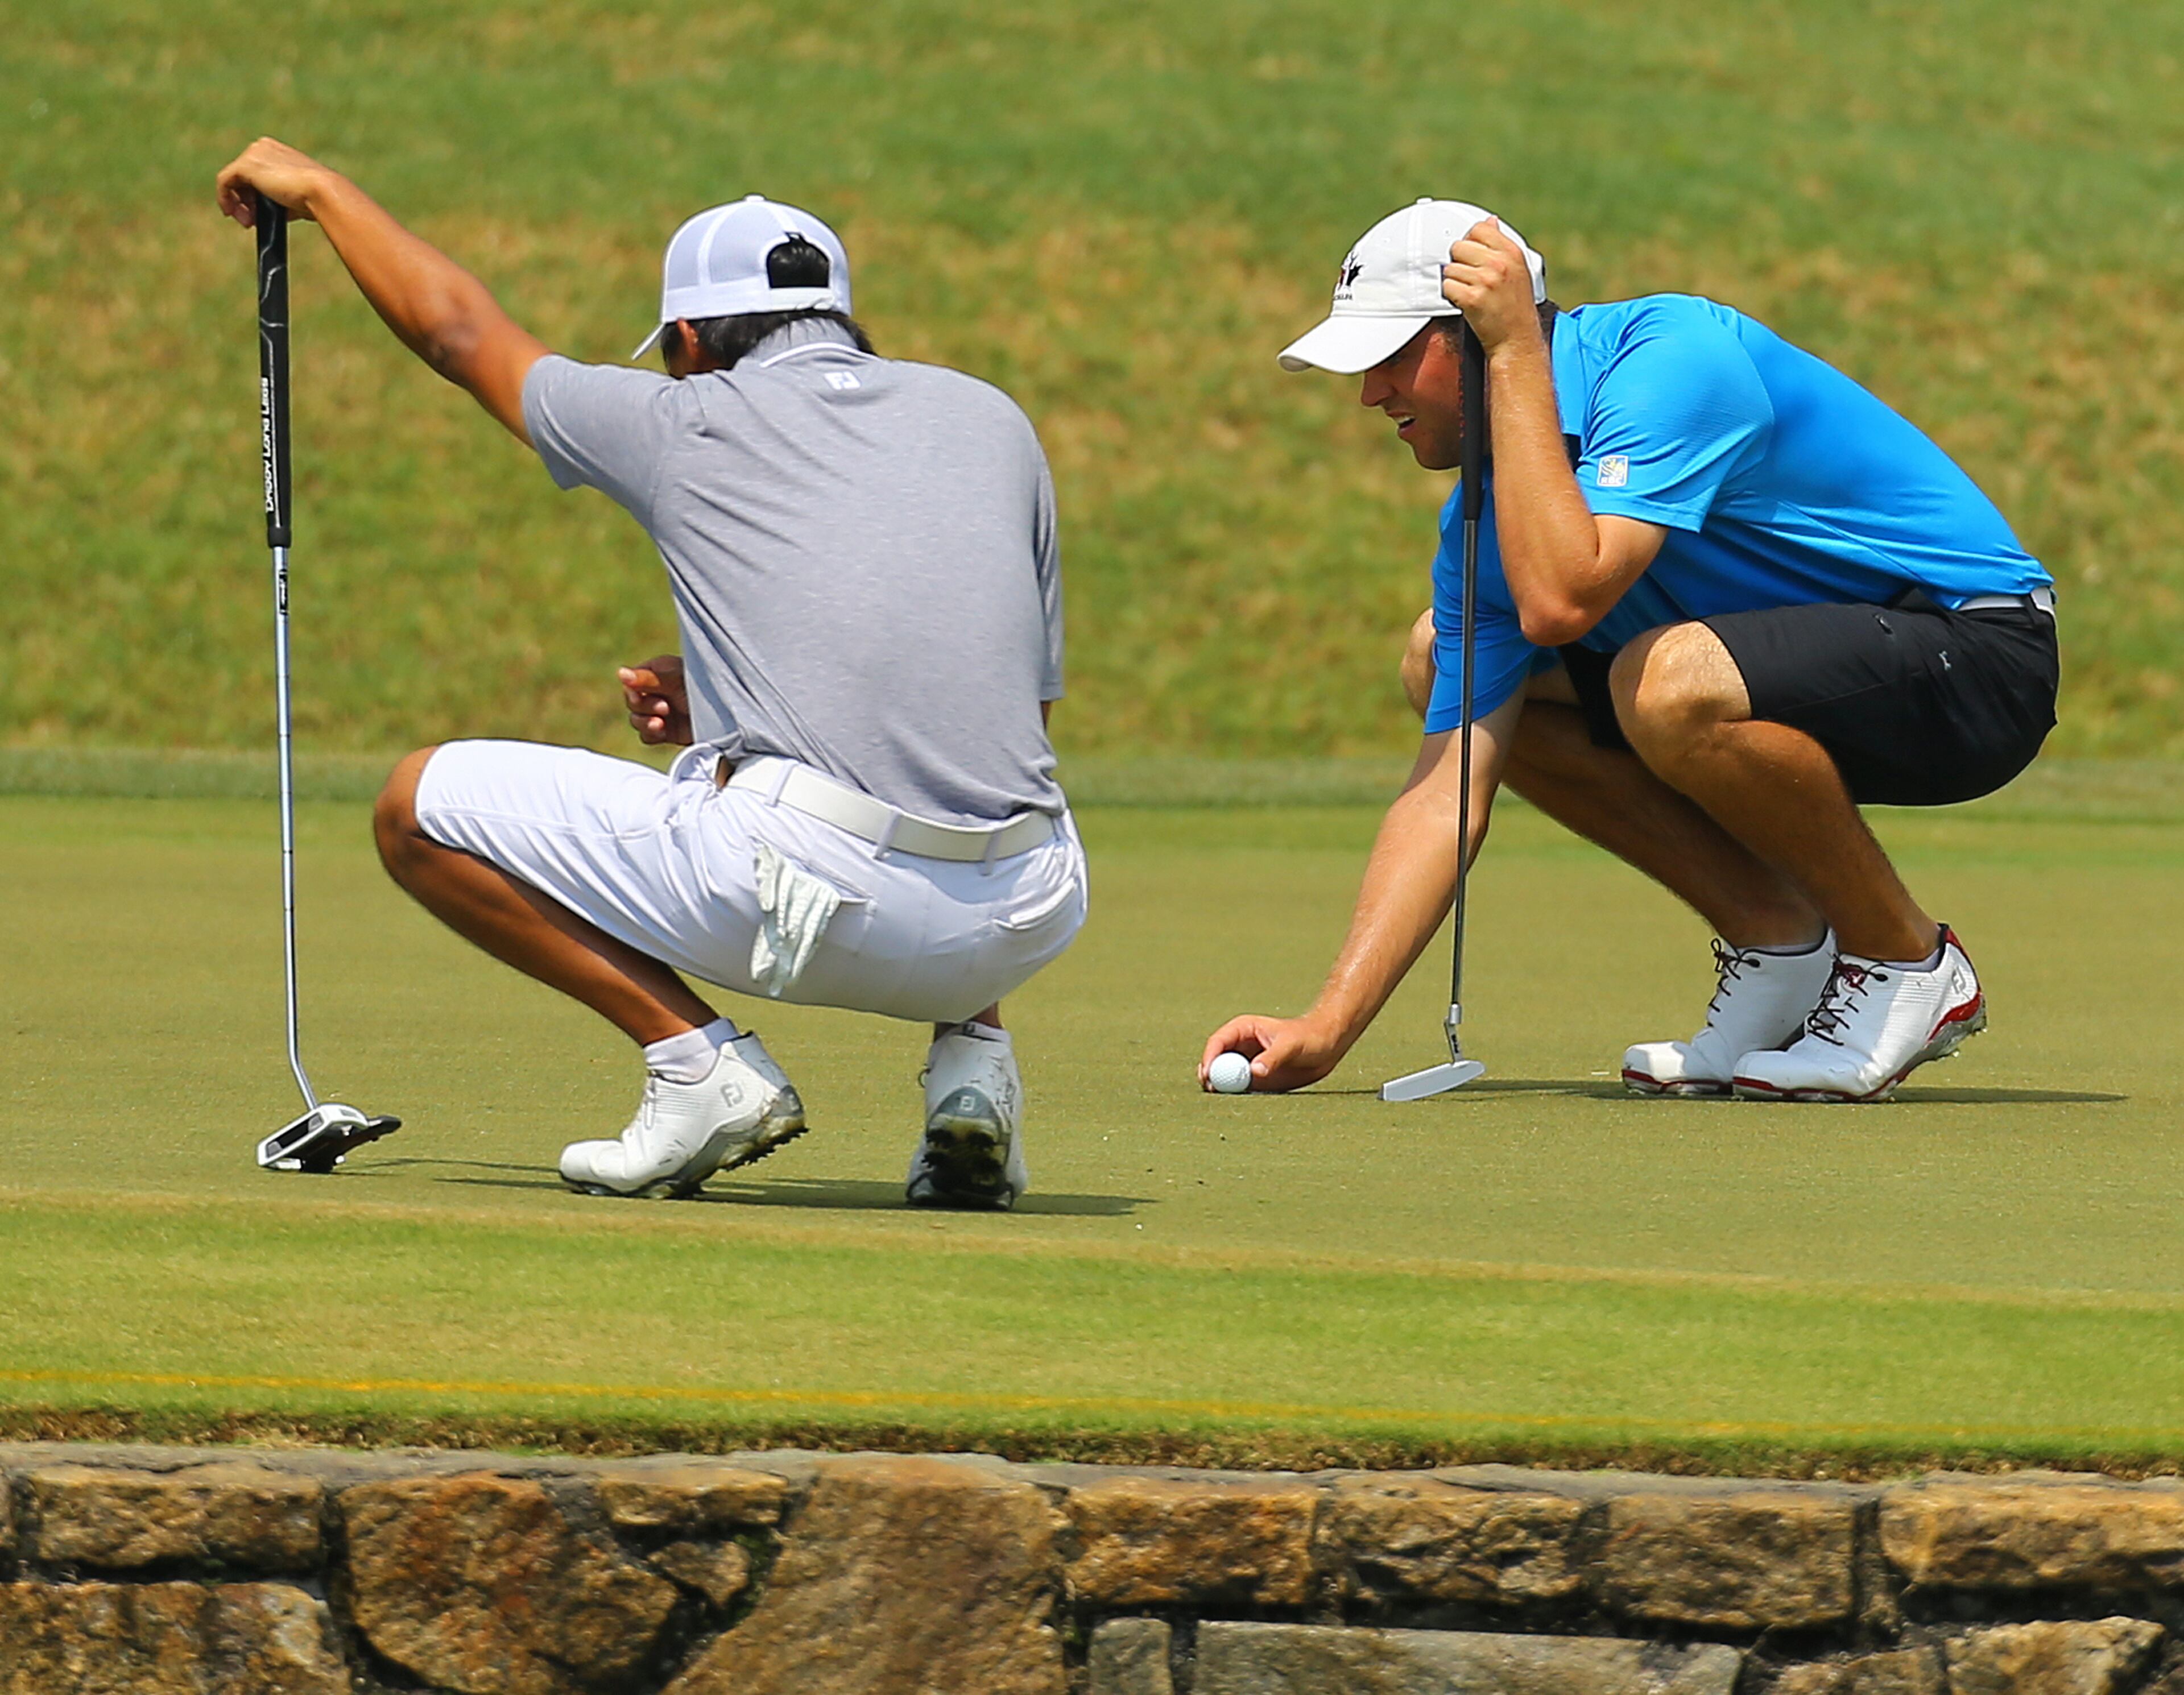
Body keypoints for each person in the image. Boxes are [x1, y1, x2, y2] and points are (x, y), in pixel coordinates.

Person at [216, 139, 1086, 1206]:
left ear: (685, 339)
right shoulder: (991, 418)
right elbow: (1006, 709)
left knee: (413, 807)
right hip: (1026, 913)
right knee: (964, 784)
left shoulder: (685, 417)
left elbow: (460, 334)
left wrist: (319, 189)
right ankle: (975, 1071)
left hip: (820, 899)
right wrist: (731, 700)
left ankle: (697, 1067)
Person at [1202, 198, 2057, 1103]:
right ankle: (1779, 945)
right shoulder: (1483, 533)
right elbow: (1446, 796)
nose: (1371, 394)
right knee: (1439, 654)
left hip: (1978, 653)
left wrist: (1515, 355)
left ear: (1479, 334)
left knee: (1664, 682)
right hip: (1798, 687)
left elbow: (1566, 596)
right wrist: (1329, 1023)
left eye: (1391, 359)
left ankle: (1908, 961)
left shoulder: (1670, 359)